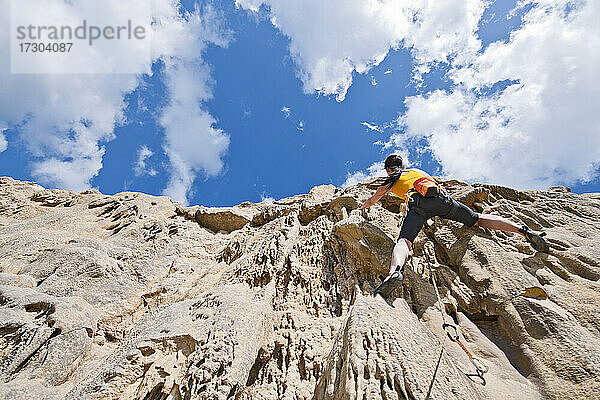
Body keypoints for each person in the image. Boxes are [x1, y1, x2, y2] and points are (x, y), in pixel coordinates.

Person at [360, 154, 548, 294]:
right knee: (477, 219)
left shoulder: (390, 181)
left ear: (388, 170)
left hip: (417, 206)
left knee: (404, 242)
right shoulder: (416, 172)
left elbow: (372, 200)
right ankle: (524, 231)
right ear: (402, 165)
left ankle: (395, 271)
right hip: (441, 200)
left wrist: (363, 207)